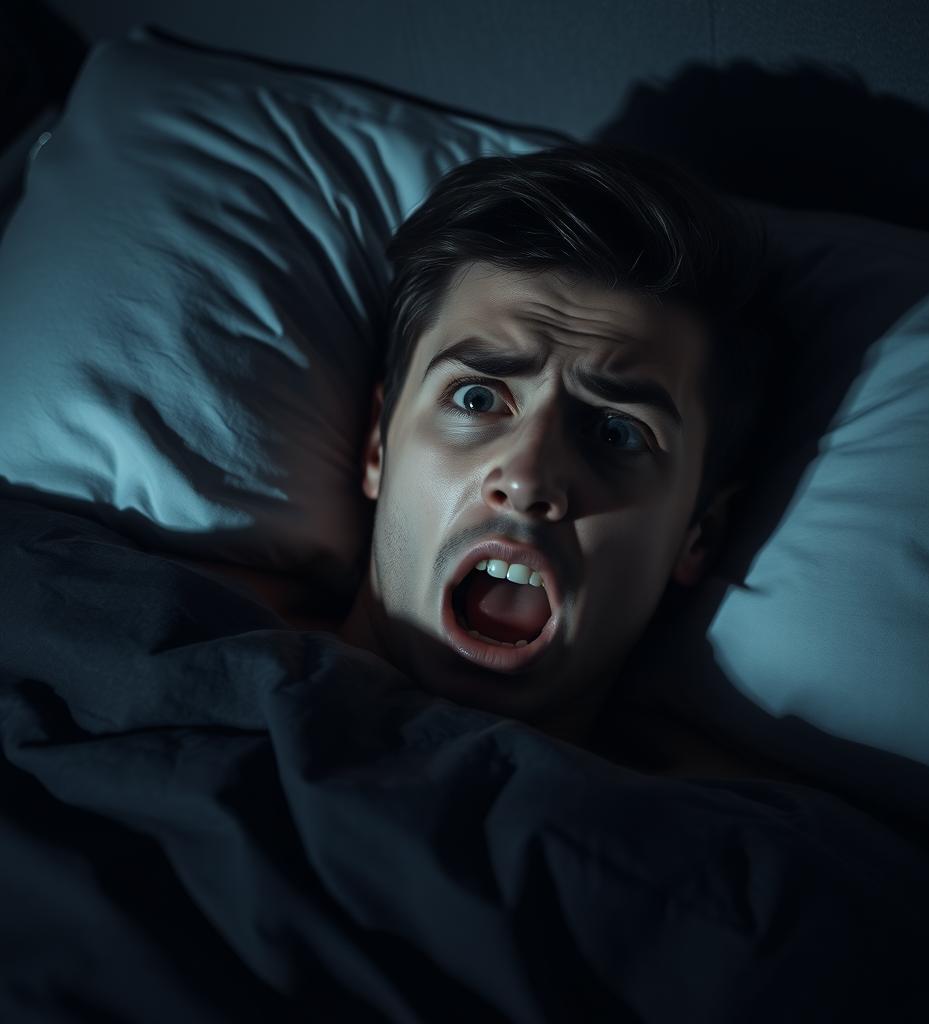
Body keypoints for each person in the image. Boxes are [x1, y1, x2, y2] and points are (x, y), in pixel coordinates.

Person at [188, 142, 781, 774]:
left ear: (699, 535)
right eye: (476, 398)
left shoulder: (736, 853)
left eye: (616, 433)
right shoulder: (143, 645)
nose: (528, 479)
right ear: (377, 448)